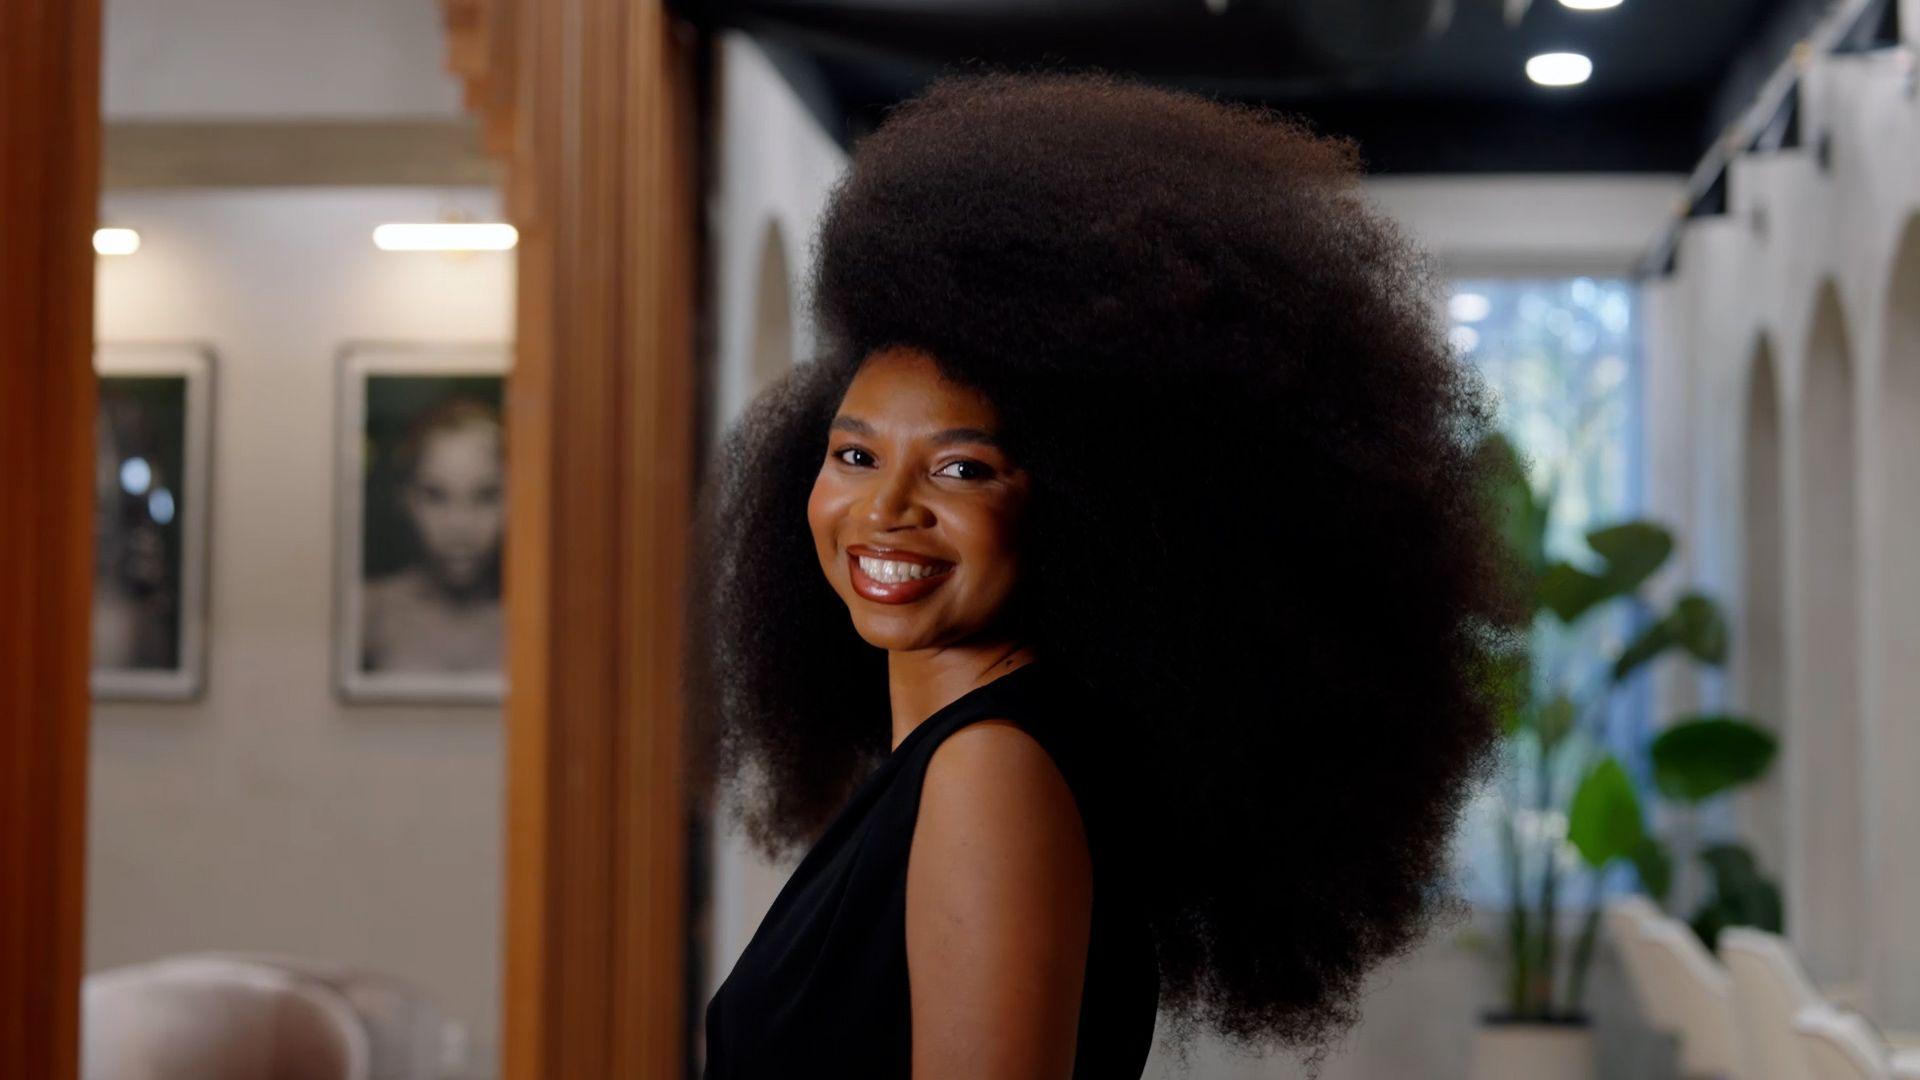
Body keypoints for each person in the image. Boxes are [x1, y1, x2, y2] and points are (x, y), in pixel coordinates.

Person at [688, 69, 1526, 1080]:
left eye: (962, 468)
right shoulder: (957, 761)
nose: (884, 510)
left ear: (1086, 510)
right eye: (855, 454)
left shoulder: (989, 773)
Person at [361, 395, 505, 674]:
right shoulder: (367, 614)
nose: (460, 525)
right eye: (435, 496)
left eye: (486, 496)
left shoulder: (548, 622)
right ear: (406, 498)